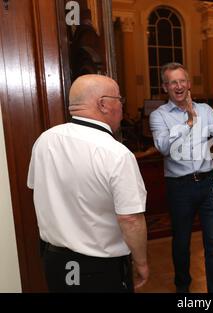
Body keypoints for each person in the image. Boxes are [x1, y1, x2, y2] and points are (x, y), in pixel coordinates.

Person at [27, 74, 149, 292]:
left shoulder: (45, 140)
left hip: (54, 262)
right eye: (119, 100)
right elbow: (130, 218)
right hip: (98, 268)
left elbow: (39, 190)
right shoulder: (117, 154)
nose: (122, 107)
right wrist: (141, 263)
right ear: (103, 104)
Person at [150, 62, 213, 293]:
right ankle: (182, 290)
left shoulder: (206, 109)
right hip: (179, 188)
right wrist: (189, 122)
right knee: (181, 242)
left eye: (182, 81)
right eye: (172, 82)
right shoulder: (159, 116)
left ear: (189, 84)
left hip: (208, 184)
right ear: (165, 87)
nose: (178, 86)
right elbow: (164, 147)